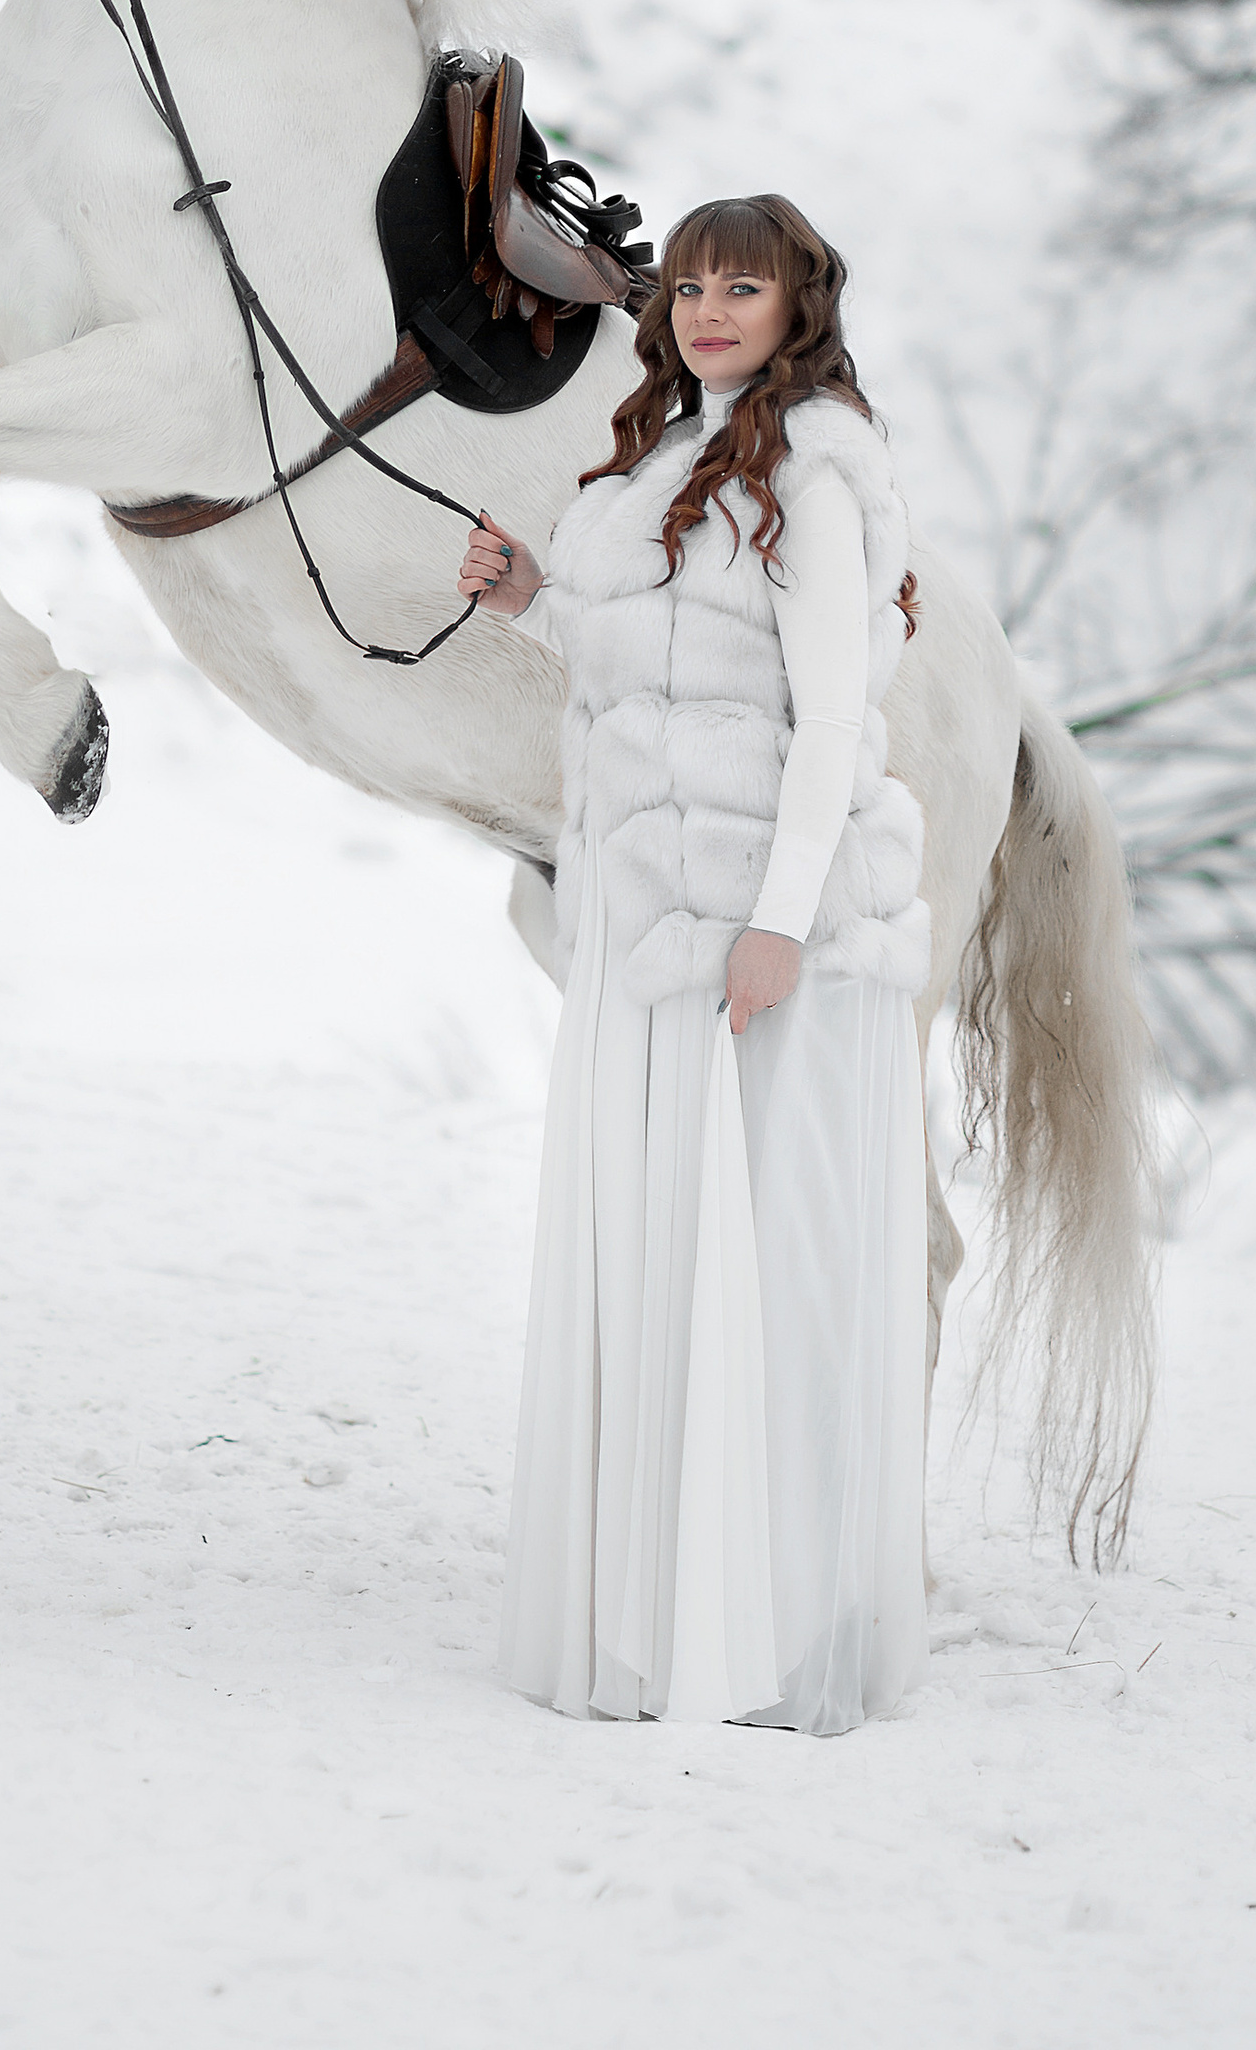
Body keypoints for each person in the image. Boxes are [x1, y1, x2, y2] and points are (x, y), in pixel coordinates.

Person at [461, 193, 930, 1736]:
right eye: (692, 287)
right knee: (665, 1251)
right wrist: (535, 602)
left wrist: (780, 922)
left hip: (752, 922)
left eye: (747, 288)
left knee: (763, 1266)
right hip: (644, 911)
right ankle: (672, 1606)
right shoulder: (660, 459)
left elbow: (833, 719)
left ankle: (775, 1626)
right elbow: (650, 673)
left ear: (800, 311)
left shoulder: (813, 474)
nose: (711, 310)